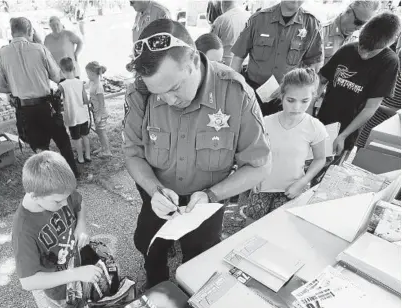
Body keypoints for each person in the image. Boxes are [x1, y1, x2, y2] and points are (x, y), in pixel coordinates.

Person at [123, 19, 272, 288]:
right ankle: (156, 287)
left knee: (199, 259)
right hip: (157, 196)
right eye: (160, 94)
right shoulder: (140, 92)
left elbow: (260, 165)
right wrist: (154, 189)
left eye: (175, 88)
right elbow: (133, 154)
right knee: (149, 248)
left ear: (193, 61)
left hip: (207, 202)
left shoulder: (236, 94)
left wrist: (211, 195)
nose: (169, 101)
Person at [12, 151, 102, 308]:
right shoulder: (24, 230)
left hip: (77, 270)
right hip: (59, 290)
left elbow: (79, 203)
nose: (64, 204)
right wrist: (75, 274)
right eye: (58, 201)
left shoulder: (58, 192)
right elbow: (28, 281)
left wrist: (82, 226)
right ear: (35, 196)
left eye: (65, 198)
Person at [0, 17, 78, 176]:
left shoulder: (2, 53)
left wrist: (14, 89)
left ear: (12, 32)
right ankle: (72, 174)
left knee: (40, 148)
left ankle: (50, 179)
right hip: (47, 105)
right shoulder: (39, 49)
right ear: (30, 30)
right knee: (63, 142)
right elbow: (57, 76)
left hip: (24, 109)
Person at [246, 68, 327, 222]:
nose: (297, 107)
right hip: (262, 186)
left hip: (291, 189)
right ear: (281, 96)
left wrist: (303, 182)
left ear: (313, 98)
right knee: (251, 226)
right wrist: (253, 177)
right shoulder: (265, 122)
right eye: (291, 100)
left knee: (278, 228)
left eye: (304, 101)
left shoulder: (315, 127)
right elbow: (253, 152)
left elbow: (320, 159)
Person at [316, 11, 400, 158]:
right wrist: (310, 109)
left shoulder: (389, 62)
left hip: (347, 130)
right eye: (362, 47)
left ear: (389, 43)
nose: (364, 54)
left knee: (328, 170)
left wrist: (343, 136)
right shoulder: (348, 49)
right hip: (322, 121)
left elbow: (371, 107)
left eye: (371, 52)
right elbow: (321, 80)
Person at [230, 0, 324, 116]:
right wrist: (234, 88)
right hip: (253, 92)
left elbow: (314, 64)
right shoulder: (259, 19)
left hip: (287, 97)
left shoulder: (311, 24)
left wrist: (300, 92)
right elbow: (238, 57)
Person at [322, 0, 380, 65]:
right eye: (358, 22)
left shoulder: (358, 39)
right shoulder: (321, 32)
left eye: (364, 25)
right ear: (348, 11)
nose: (359, 28)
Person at [59, 57, 91, 164]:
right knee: (85, 136)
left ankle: (80, 158)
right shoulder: (80, 82)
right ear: (73, 68)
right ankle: (88, 155)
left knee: (76, 138)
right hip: (82, 115)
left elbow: (59, 100)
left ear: (62, 71)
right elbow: (86, 100)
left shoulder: (62, 85)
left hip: (72, 116)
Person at [211, 0, 251, 66]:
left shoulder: (221, 19)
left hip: (226, 66)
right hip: (246, 64)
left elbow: (210, 43)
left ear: (223, 4)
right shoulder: (250, 16)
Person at [86, 61, 111, 157]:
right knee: (99, 131)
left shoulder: (98, 87)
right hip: (95, 112)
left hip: (101, 113)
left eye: (88, 73)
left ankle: (107, 151)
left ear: (92, 73)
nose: (87, 76)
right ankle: (103, 147)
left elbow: (102, 103)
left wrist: (99, 116)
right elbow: (84, 86)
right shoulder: (91, 82)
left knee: (102, 132)